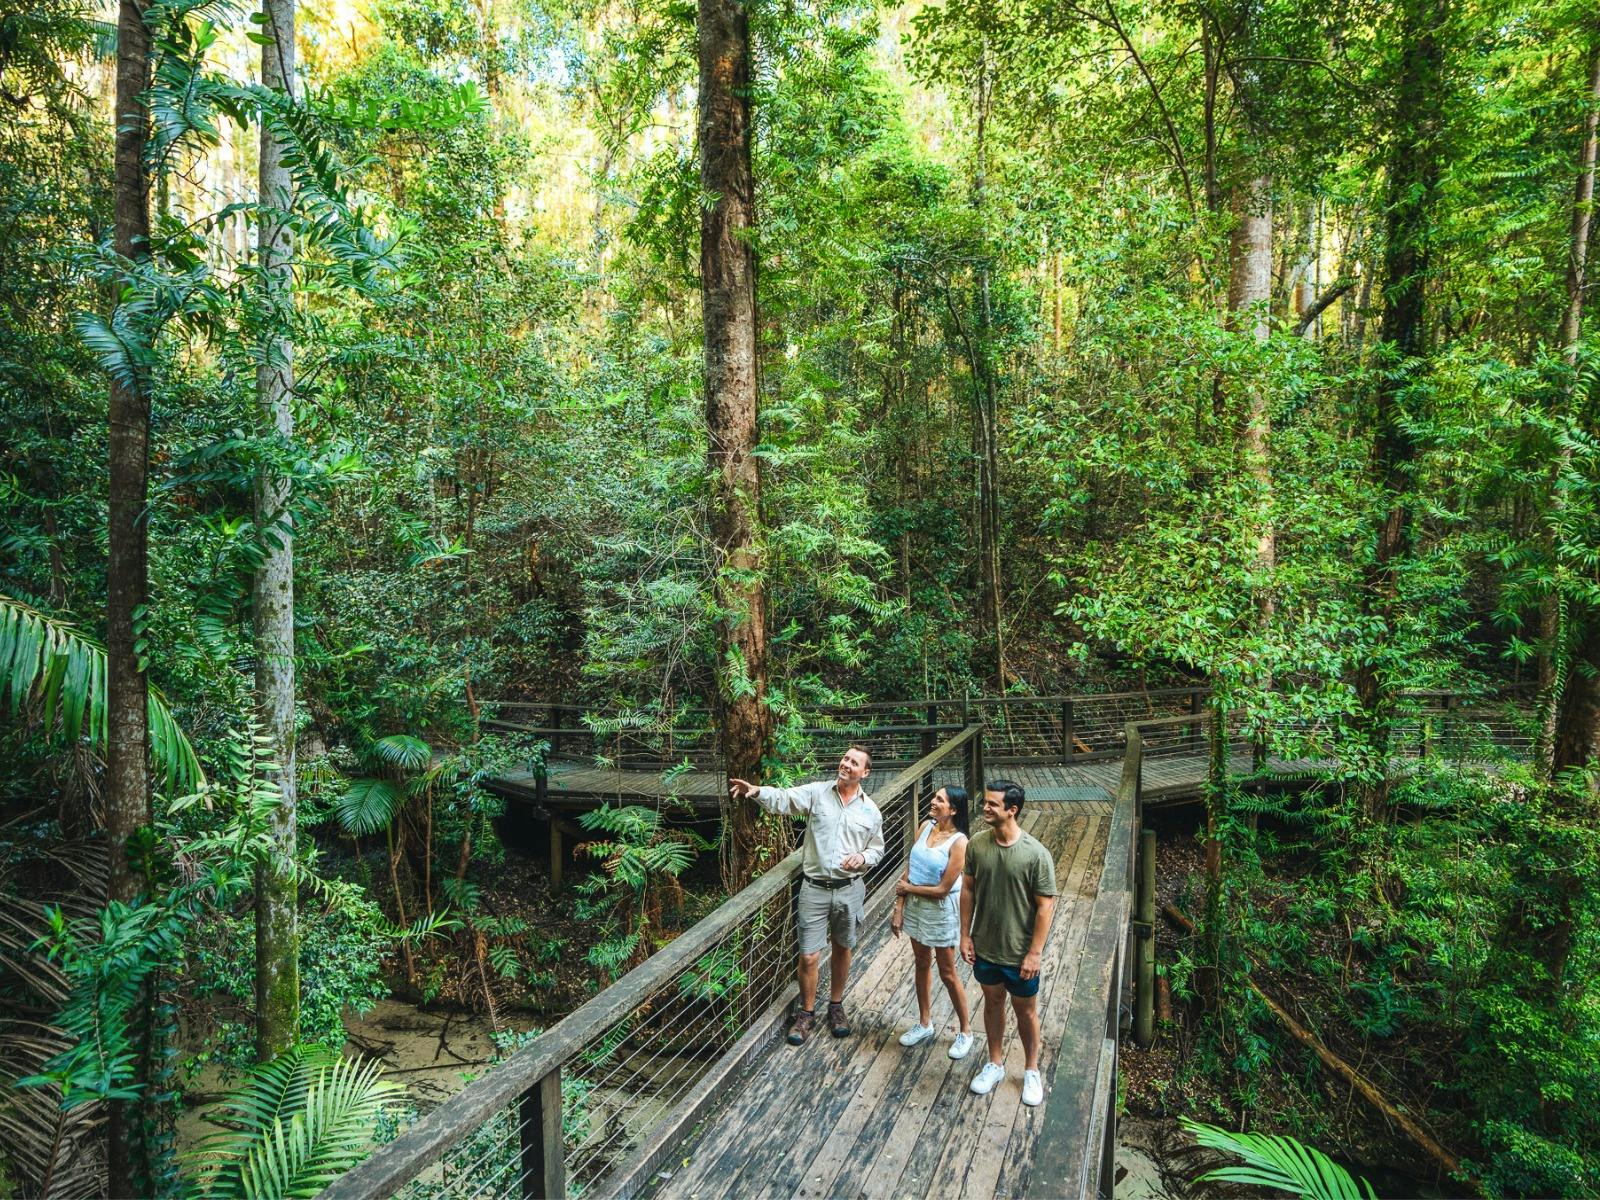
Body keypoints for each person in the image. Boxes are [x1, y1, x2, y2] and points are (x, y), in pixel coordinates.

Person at [728, 745, 884, 1045]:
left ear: (865, 772)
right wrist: (757, 791)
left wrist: (863, 858)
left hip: (849, 889)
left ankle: (836, 1006)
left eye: (854, 762)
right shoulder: (817, 793)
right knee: (809, 955)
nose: (846, 764)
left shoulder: (870, 811)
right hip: (814, 889)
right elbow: (785, 799)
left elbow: (878, 848)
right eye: (845, 758)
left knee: (842, 947)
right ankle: (807, 1012)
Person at [960, 779, 1057, 1107]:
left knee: (1026, 1011)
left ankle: (1031, 1069)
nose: (985, 808)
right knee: (992, 1002)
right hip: (986, 945)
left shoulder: (1035, 854)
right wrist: (964, 934)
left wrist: (1035, 952)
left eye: (992, 804)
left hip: (1019, 953)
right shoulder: (977, 844)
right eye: (985, 802)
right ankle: (995, 1062)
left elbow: (1046, 906)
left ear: (1012, 810)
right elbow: (968, 890)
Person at [891, 785, 973, 1060]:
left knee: (947, 971)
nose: (933, 801)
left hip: (940, 909)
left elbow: (942, 888)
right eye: (935, 797)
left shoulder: (960, 842)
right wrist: (899, 907)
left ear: (954, 809)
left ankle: (966, 1031)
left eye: (940, 799)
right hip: (915, 906)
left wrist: (907, 890)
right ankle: (925, 1023)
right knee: (921, 962)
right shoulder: (926, 826)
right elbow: (910, 868)